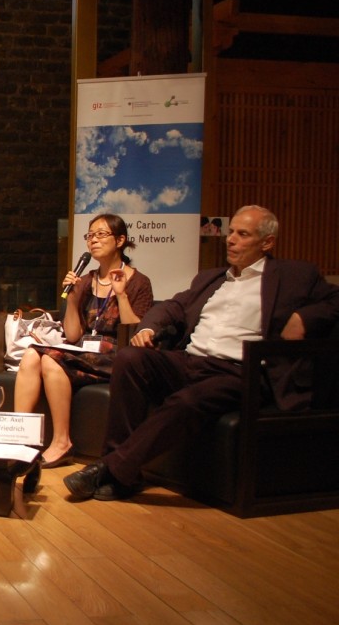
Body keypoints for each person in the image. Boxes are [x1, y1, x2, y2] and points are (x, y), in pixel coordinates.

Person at [64, 205, 339, 502]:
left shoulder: (294, 275)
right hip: (191, 360)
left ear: (267, 242)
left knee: (188, 400)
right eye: (231, 231)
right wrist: (149, 328)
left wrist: (304, 319)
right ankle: (122, 472)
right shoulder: (211, 278)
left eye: (242, 234)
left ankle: (110, 469)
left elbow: (334, 300)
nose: (230, 239)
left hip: (239, 370)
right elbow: (173, 306)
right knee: (131, 358)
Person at [15, 214, 153, 468]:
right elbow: (74, 335)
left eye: (101, 234)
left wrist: (121, 296)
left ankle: (61, 442)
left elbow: (136, 332)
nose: (94, 241)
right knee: (32, 355)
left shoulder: (138, 282)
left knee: (50, 361)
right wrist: (74, 299)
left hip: (118, 356)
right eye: (90, 235)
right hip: (83, 350)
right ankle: (19, 439)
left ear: (120, 240)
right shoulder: (87, 280)